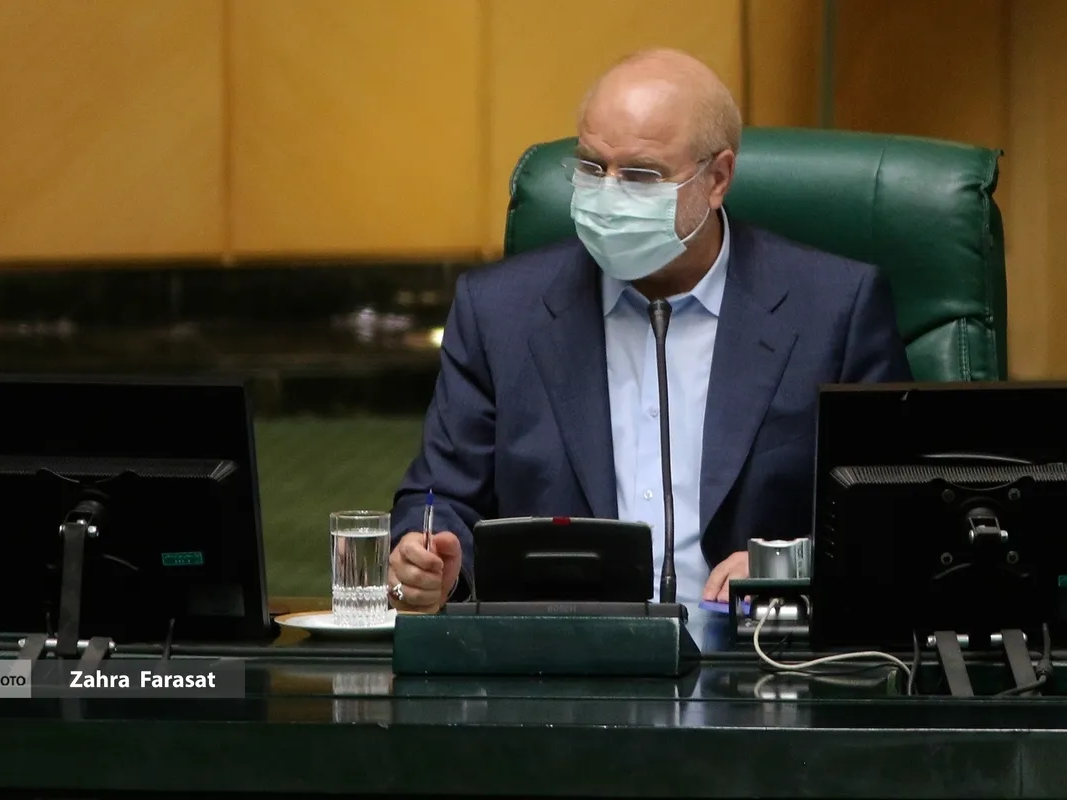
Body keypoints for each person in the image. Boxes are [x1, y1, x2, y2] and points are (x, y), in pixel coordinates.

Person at [387, 48, 911, 612]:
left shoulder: (834, 309)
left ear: (718, 178)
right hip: (563, 649)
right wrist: (432, 560)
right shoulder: (499, 312)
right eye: (592, 168)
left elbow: (897, 513)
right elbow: (439, 498)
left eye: (640, 175)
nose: (608, 195)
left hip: (754, 649)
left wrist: (788, 564)